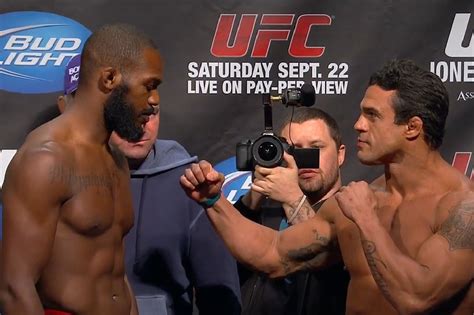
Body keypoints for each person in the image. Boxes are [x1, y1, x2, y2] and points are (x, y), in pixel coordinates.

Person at [180, 59, 474, 315]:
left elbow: (416, 299)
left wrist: (367, 221)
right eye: (361, 113)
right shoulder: (363, 199)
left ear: (412, 127)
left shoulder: (463, 208)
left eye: (372, 115)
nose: (358, 124)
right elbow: (272, 253)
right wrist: (213, 201)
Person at [0, 23, 165, 314]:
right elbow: (15, 287)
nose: (154, 100)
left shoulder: (114, 157)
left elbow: (115, 271)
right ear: (110, 78)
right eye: (149, 86)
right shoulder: (45, 159)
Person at [60, 53, 241, 315]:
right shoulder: (48, 177)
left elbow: (222, 298)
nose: (140, 127)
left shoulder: (191, 183)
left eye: (150, 112)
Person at [235, 107, 349, 315]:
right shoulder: (266, 211)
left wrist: (292, 198)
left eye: (316, 148)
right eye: (295, 150)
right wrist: (253, 198)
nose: (305, 161)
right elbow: (220, 262)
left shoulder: (352, 209)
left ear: (340, 154)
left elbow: (331, 263)